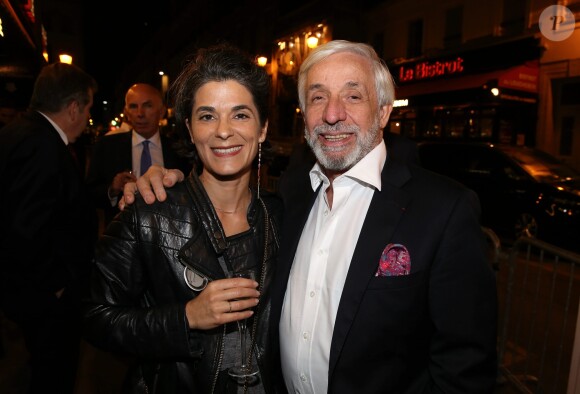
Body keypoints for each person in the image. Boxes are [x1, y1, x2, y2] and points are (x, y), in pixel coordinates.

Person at [124, 40, 498, 393]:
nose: (333, 114)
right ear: (304, 115)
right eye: (318, 97)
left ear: (383, 110)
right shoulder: (292, 197)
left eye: (353, 95)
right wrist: (169, 179)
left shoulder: (443, 209)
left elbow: (465, 365)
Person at [83, 44, 283, 393]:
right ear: (190, 130)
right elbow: (94, 317)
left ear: (262, 128)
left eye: (240, 114)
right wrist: (186, 318)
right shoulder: (148, 213)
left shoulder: (280, 214)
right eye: (207, 116)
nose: (223, 131)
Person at [0, 62, 98, 394]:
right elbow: (26, 228)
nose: (87, 118)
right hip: (46, 300)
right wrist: (54, 286)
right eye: (87, 107)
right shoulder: (41, 146)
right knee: (52, 376)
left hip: (32, 292)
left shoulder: (24, 132)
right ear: (73, 108)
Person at [86, 83, 189, 227]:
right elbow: (89, 194)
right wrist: (113, 189)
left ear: (161, 112)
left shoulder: (179, 149)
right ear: (127, 112)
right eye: (133, 107)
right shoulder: (106, 146)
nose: (140, 113)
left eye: (147, 106)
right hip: (122, 232)